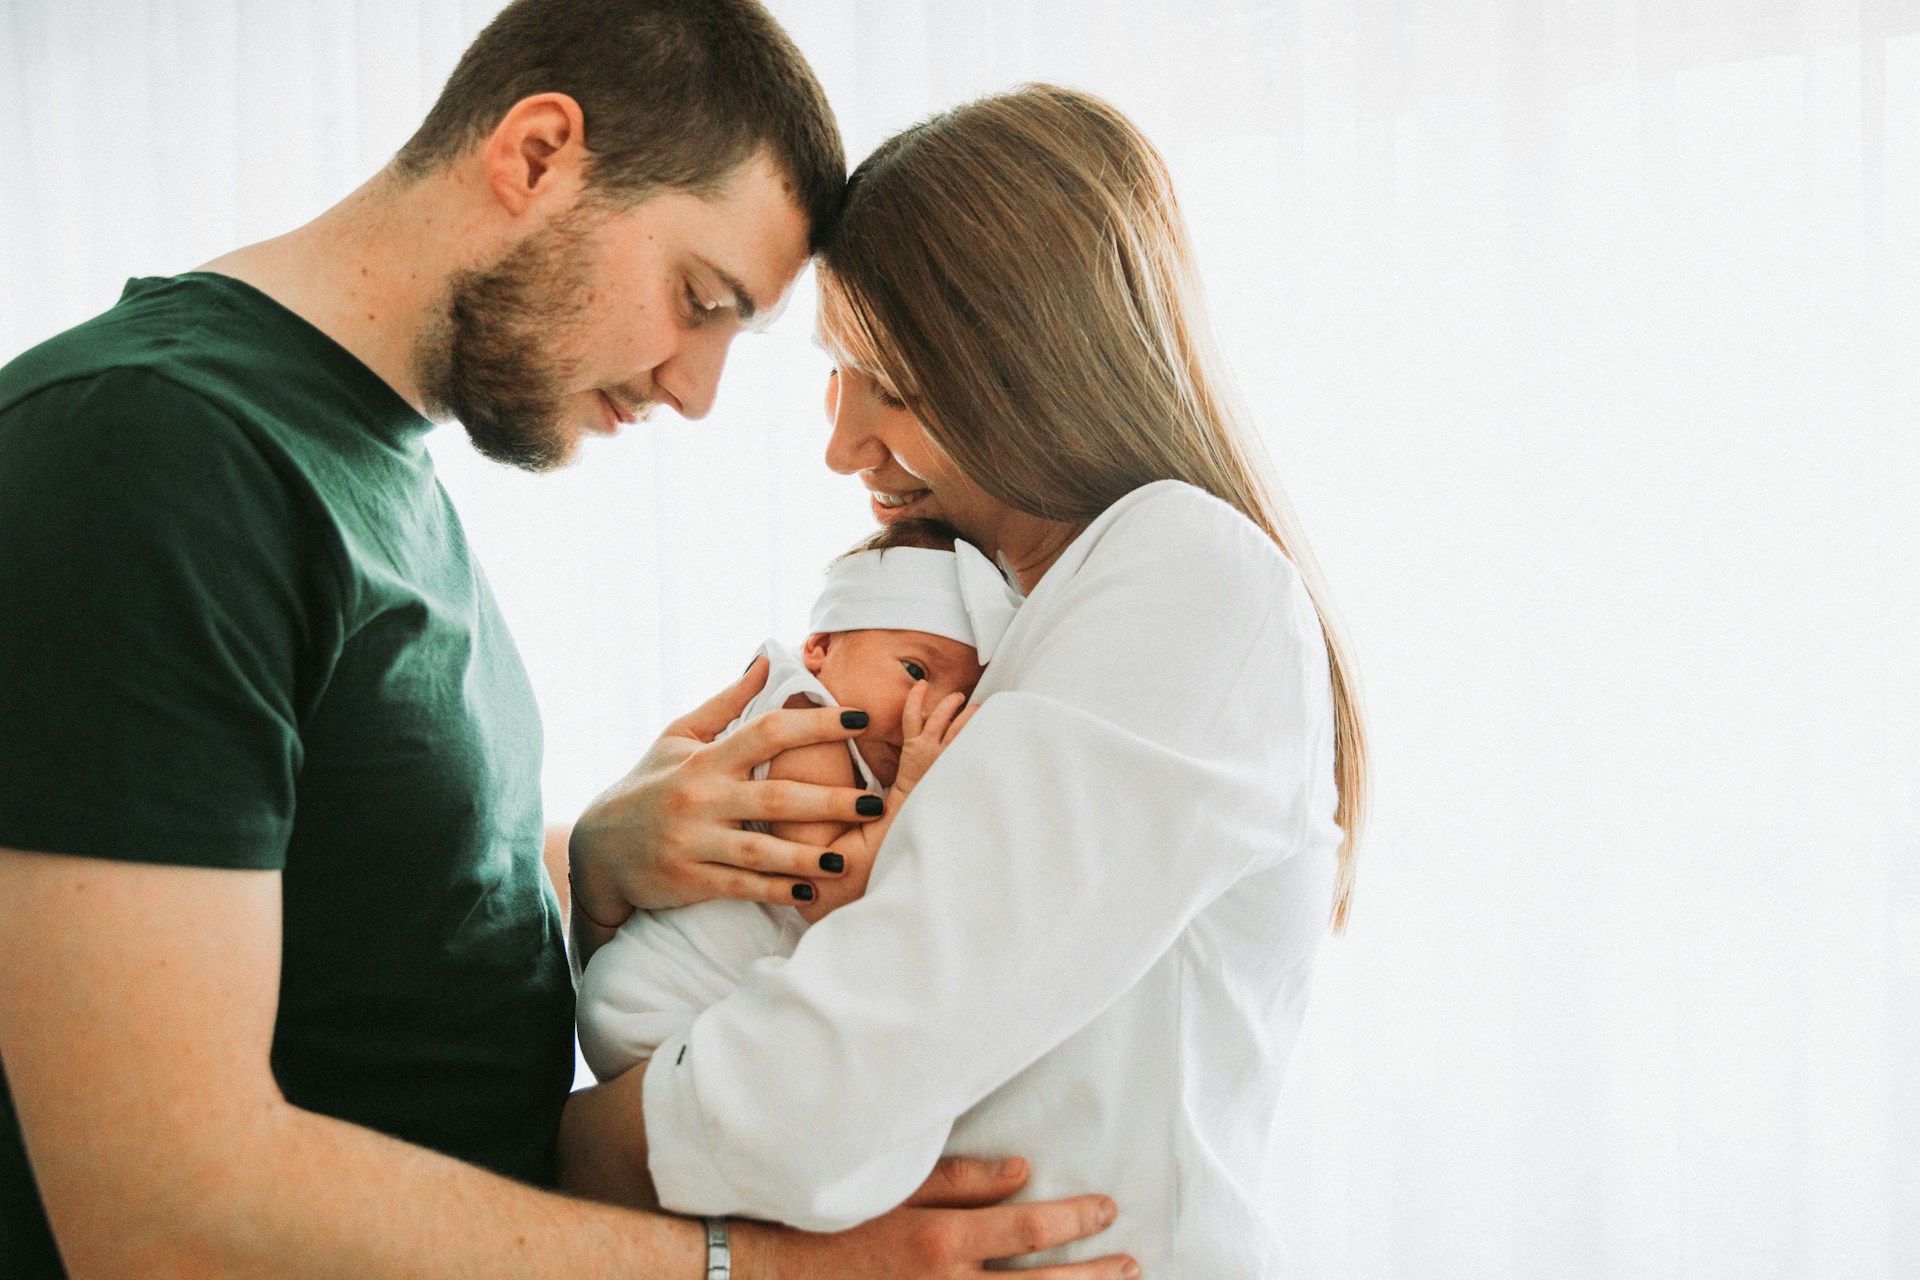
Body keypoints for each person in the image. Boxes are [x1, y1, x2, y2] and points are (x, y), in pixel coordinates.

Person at [0, 4, 1133, 1277]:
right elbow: (162, 1201)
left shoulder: (368, 468)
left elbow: (353, 908)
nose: (696, 391)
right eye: (700, 301)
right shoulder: (153, 450)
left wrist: (595, 861)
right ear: (538, 154)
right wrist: (751, 1266)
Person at [557, 85, 1371, 1276]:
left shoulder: (1185, 575)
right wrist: (613, 856)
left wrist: (568, 1145)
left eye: (888, 377)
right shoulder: (1011, 621)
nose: (841, 443)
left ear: (1033, 360)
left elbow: (819, 1093)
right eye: (839, 373)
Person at [577, 519, 1015, 1082]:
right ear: (820, 646)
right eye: (914, 671)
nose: (924, 713)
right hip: (657, 1004)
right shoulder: (805, 719)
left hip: (682, 1007)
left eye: (956, 701)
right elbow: (826, 890)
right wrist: (907, 791)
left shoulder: (851, 743)